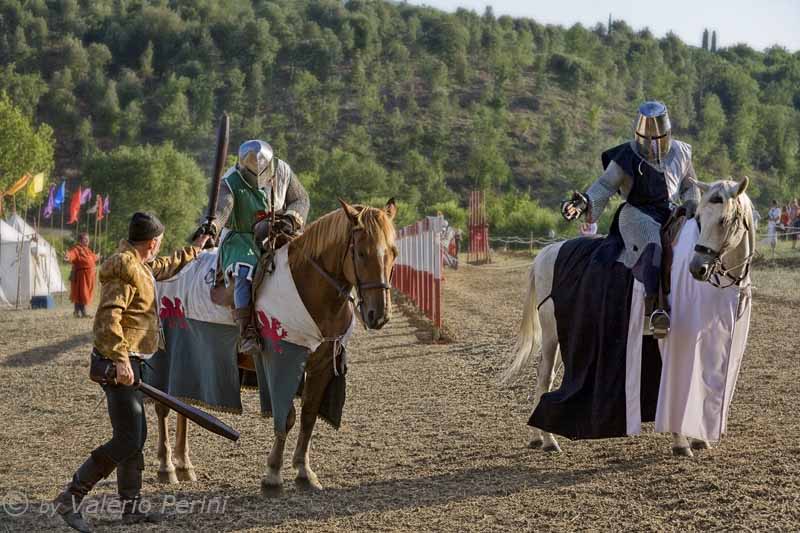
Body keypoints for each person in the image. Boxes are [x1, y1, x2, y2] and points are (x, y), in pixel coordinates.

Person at [53, 212, 210, 532]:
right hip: (118, 364)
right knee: (127, 438)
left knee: (135, 436)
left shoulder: (139, 263)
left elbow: (163, 267)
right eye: (159, 244)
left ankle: (132, 507)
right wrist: (122, 360)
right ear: (151, 243)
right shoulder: (124, 267)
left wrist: (196, 248)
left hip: (133, 361)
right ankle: (70, 497)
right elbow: (107, 320)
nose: (159, 249)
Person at [561, 101, 699, 337]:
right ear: (638, 134)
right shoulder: (626, 155)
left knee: (697, 244)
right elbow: (604, 185)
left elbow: (689, 186)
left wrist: (692, 205)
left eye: (659, 138)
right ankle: (653, 313)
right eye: (648, 139)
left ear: (667, 134)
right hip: (637, 214)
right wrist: (582, 203)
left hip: (671, 213)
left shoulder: (681, 152)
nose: (654, 144)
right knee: (653, 247)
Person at [202, 140, 309, 356]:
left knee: (305, 262)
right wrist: (213, 226)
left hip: (278, 231)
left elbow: (300, 199)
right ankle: (247, 332)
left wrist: (289, 220)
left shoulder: (283, 171)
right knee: (244, 271)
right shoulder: (231, 181)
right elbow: (223, 208)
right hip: (242, 237)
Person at [64, 233, 100, 318]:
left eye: (88, 239)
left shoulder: (87, 250)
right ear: (80, 240)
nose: (87, 240)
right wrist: (67, 256)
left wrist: (97, 257)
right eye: (85, 239)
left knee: (82, 294)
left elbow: (92, 257)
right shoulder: (77, 249)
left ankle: (77, 312)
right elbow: (71, 254)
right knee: (81, 294)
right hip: (81, 277)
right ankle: (82, 312)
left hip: (88, 277)